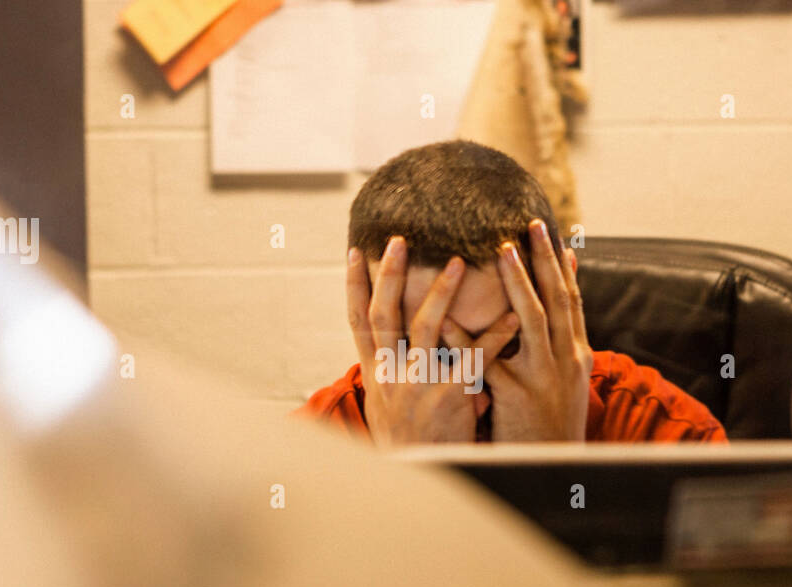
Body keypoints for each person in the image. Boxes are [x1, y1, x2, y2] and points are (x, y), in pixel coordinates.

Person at [298, 140, 727, 445]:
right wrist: (409, 477)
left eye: (507, 346)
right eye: (432, 355)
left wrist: (551, 469)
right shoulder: (312, 449)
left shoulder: (665, 433)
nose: (473, 400)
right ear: (366, 318)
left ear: (561, 297)